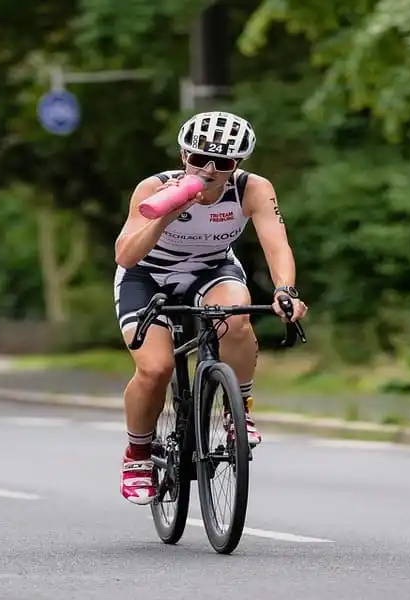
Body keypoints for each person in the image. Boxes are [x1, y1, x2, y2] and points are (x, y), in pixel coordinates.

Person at [112, 111, 307, 505]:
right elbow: (126, 255)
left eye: (224, 163)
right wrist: (165, 213)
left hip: (211, 268)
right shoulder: (153, 186)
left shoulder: (252, 189)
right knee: (155, 368)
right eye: (199, 159)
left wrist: (285, 290)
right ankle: (137, 455)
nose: (210, 170)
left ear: (237, 165)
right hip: (148, 275)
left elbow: (276, 244)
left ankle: (240, 411)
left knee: (236, 319)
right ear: (183, 155)